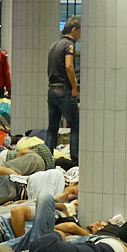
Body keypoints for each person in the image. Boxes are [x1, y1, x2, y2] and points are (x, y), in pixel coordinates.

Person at [48, 17, 80, 161]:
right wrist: (74, 86)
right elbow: (69, 66)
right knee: (76, 126)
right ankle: (75, 161)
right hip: (64, 90)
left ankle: (46, 159)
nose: (80, 36)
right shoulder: (69, 45)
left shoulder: (55, 45)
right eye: (80, 32)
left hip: (52, 90)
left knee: (52, 127)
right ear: (74, 30)